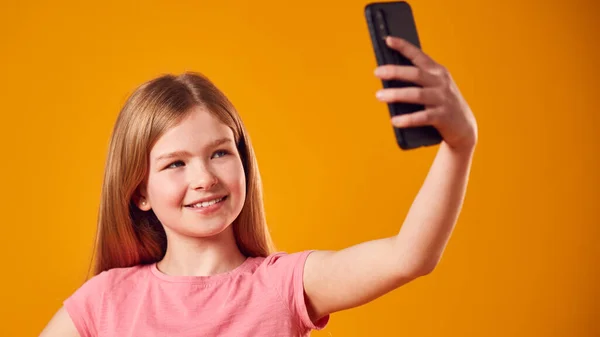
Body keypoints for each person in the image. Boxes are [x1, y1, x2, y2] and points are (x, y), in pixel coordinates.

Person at [39, 36, 477, 337]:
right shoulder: (105, 300)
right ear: (140, 192)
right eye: (175, 163)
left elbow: (410, 256)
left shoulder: (284, 285)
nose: (204, 178)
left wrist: (460, 144)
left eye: (220, 153)